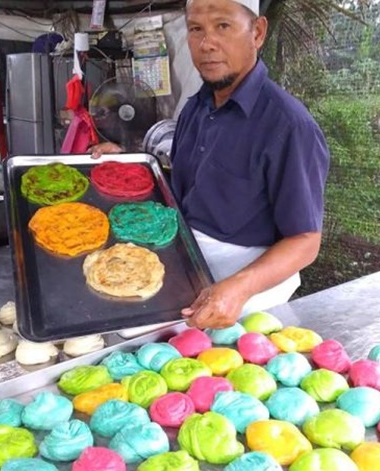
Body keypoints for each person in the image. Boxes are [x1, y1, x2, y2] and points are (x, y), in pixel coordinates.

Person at [91, 0, 330, 329]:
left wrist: (239, 288)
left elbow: (305, 240)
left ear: (257, 32)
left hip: (249, 297)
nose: (207, 44)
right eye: (195, 29)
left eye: (223, 26)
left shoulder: (288, 126)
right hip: (184, 264)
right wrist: (128, 164)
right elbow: (187, 185)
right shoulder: (196, 107)